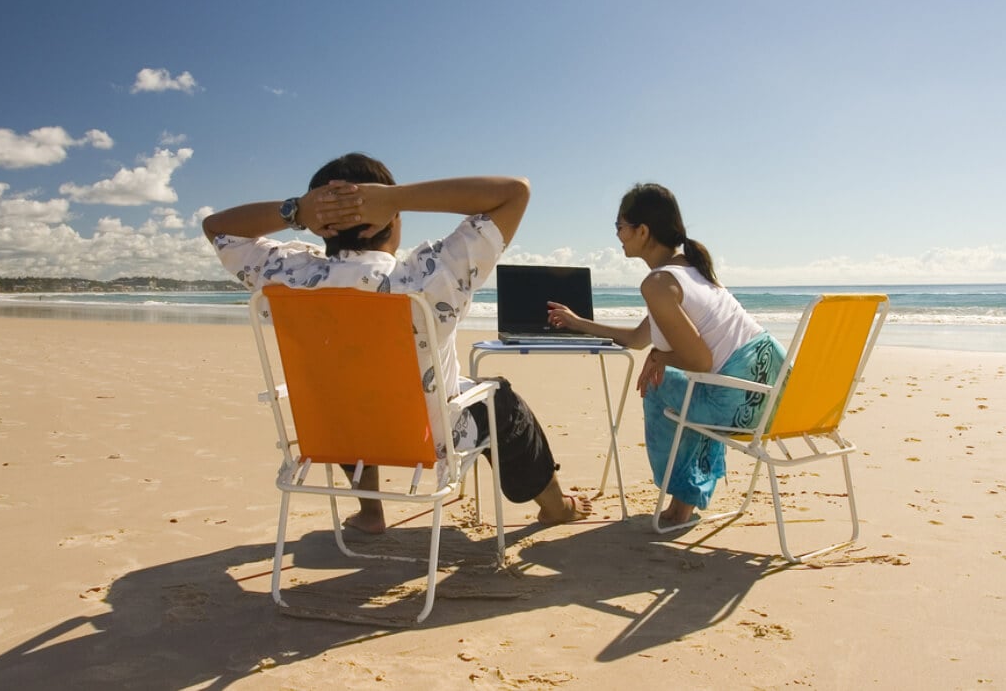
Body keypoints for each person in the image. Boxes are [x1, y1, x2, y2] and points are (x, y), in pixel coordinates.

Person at [203, 152, 591, 533]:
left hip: (334, 432)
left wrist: (297, 211)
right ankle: (556, 508)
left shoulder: (290, 277)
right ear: (387, 219)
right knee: (501, 398)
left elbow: (216, 226)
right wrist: (396, 197)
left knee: (346, 388)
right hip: (428, 438)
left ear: (320, 226)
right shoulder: (427, 278)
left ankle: (371, 513)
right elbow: (515, 192)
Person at [547, 183, 785, 526]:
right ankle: (687, 500)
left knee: (660, 386)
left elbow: (700, 361)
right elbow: (638, 338)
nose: (618, 236)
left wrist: (662, 358)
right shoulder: (690, 268)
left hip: (743, 406)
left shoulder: (659, 283)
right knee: (684, 385)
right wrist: (577, 322)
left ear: (643, 231)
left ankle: (681, 505)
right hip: (777, 391)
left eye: (620, 227)